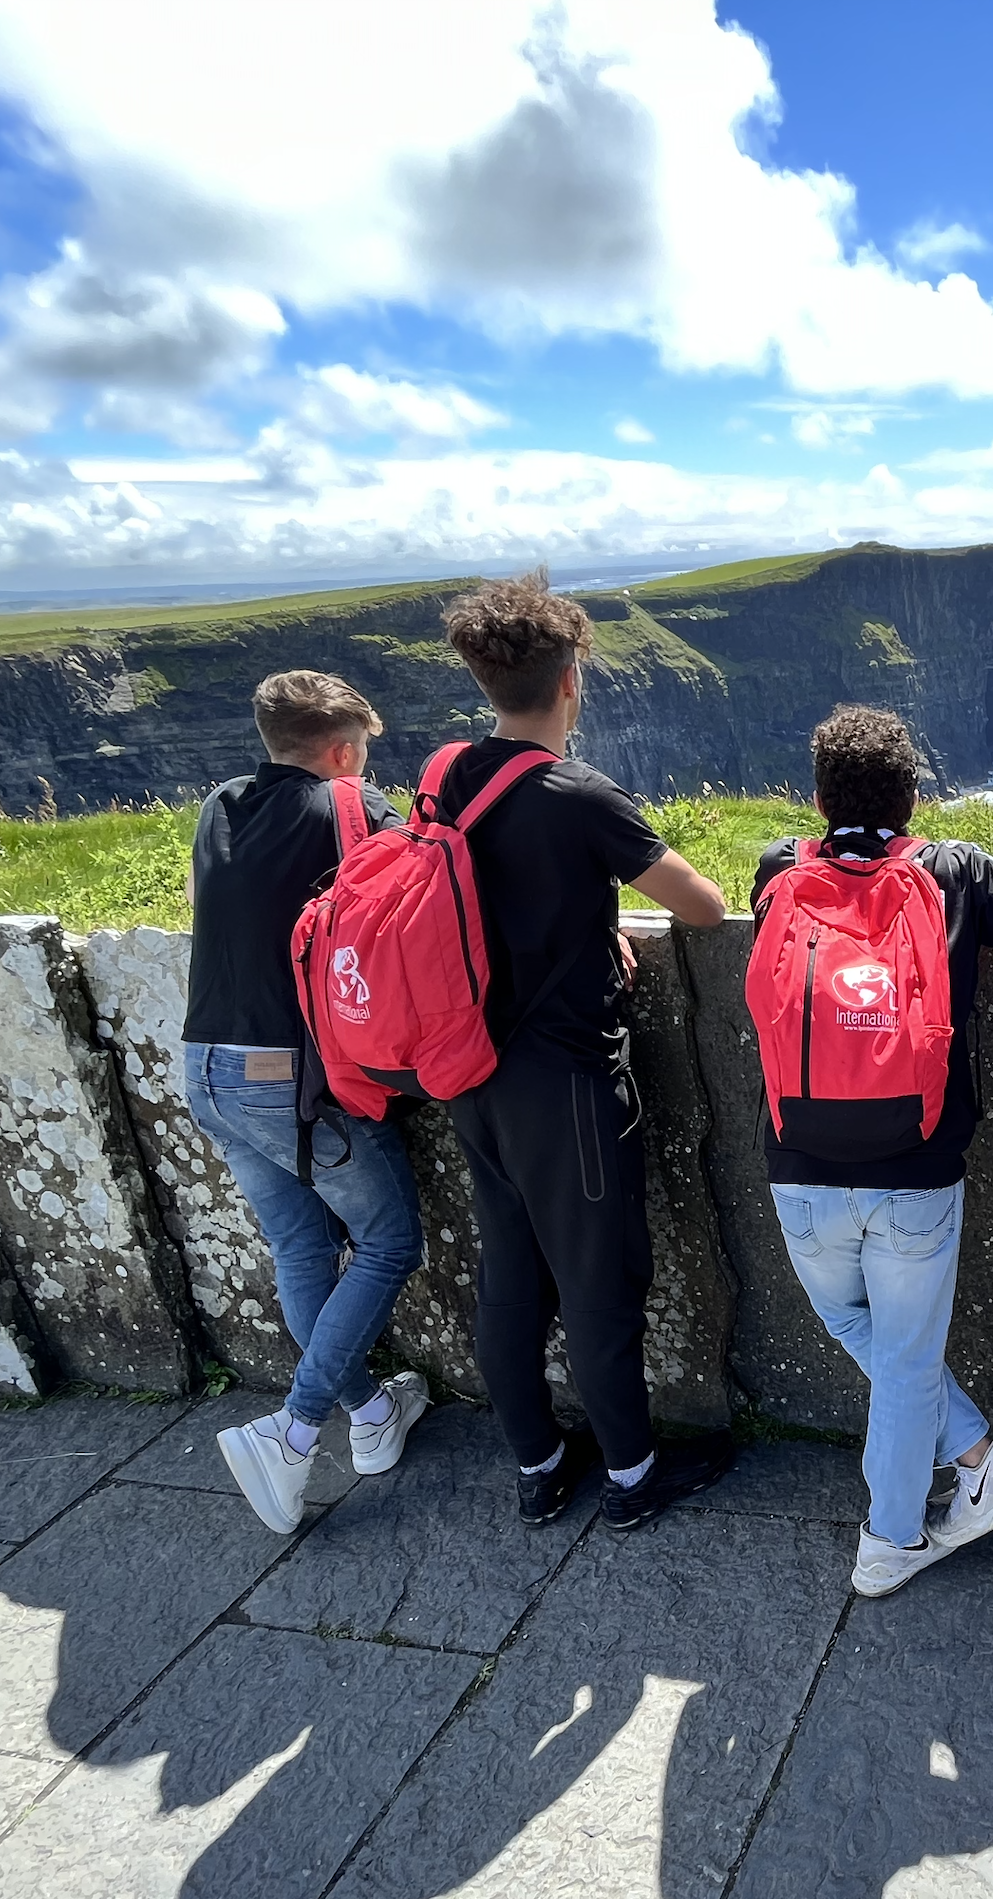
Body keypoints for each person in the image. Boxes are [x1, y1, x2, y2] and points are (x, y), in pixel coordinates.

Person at [755, 704, 993, 1597]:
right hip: (915, 1169)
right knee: (904, 1360)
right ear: (913, 795)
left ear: (819, 798)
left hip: (798, 1163)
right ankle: (893, 1539)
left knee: (853, 1325)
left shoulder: (777, 869)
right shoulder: (951, 870)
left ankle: (980, 1456)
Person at [433, 574, 735, 1531]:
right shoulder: (577, 793)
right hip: (561, 1079)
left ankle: (538, 1463)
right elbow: (706, 906)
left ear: (487, 681)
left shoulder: (445, 774)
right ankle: (635, 1477)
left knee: (512, 1272)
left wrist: (581, 925)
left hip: (470, 1067)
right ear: (572, 681)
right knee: (599, 1279)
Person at [188, 670, 431, 1534]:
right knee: (390, 1240)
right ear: (340, 753)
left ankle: (371, 1416)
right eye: (360, 752)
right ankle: (292, 1433)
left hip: (204, 1060)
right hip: (288, 1072)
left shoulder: (219, 804)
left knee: (300, 1248)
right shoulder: (352, 808)